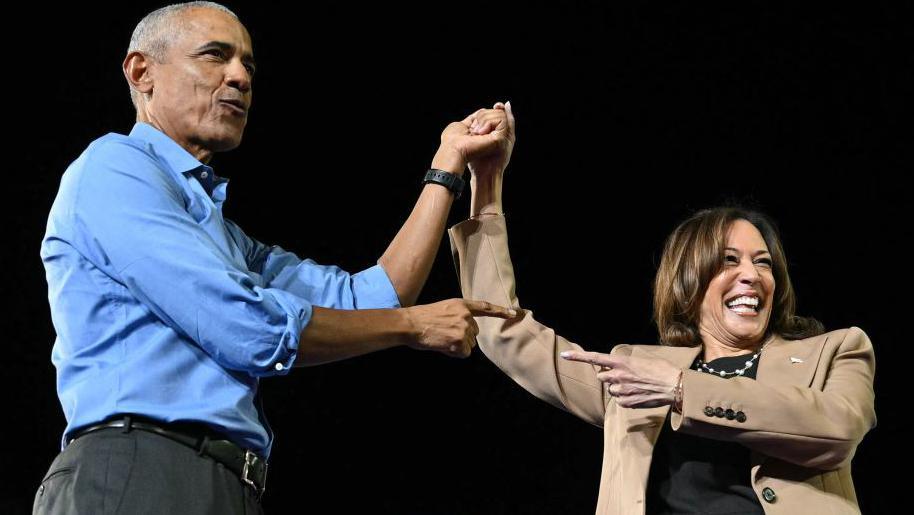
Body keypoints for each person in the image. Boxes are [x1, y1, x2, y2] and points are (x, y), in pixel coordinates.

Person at [36, 2, 515, 513]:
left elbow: (373, 296)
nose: (240, 77)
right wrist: (409, 327)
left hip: (223, 483)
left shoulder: (220, 234)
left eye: (248, 64)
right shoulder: (114, 169)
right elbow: (247, 327)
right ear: (142, 71)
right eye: (215, 56)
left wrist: (449, 164)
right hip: (139, 471)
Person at [450, 105, 876, 514]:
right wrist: (487, 183)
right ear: (688, 282)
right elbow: (506, 334)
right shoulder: (636, 372)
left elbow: (838, 430)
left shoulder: (835, 350)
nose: (752, 274)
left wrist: (681, 389)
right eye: (729, 260)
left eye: (763, 262)